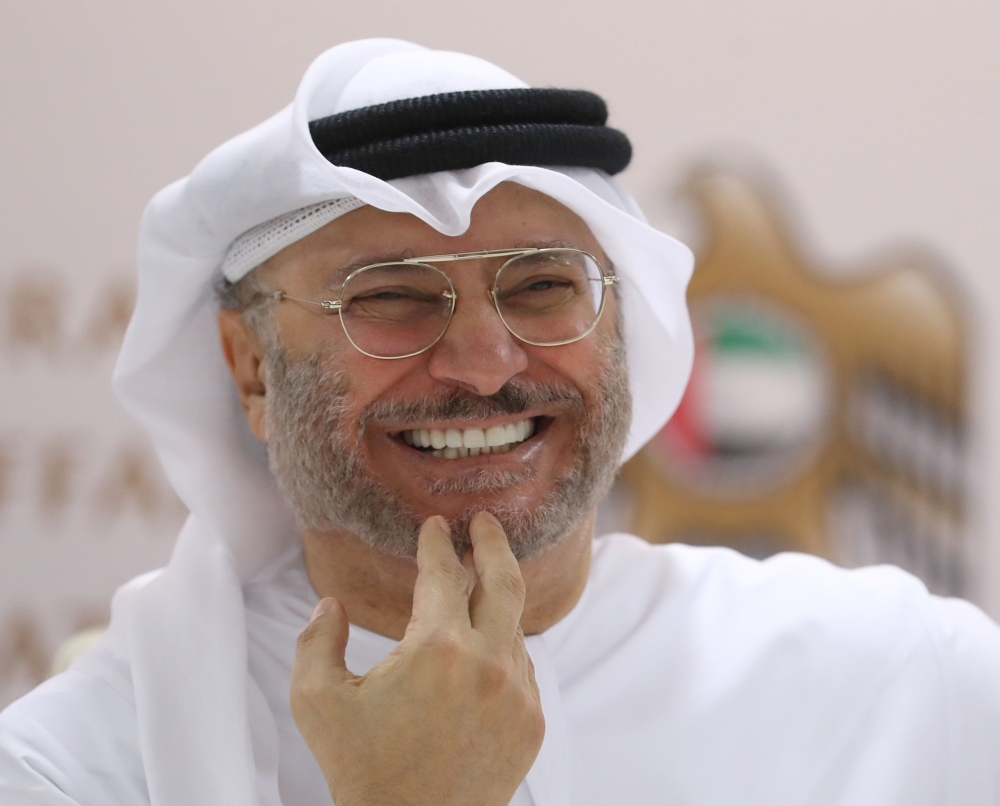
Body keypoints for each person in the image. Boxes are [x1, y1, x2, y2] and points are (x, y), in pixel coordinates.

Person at [1, 38, 999, 806]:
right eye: (389, 295)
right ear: (251, 367)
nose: (484, 363)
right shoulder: (86, 764)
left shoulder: (907, 681)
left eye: (541, 287)